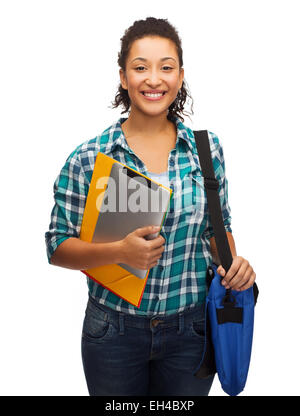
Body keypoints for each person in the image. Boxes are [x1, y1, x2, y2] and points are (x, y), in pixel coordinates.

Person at [45, 17, 256, 396]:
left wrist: (233, 266)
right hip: (113, 332)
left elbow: (216, 230)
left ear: (180, 76)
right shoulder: (90, 158)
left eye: (166, 67)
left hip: (191, 331)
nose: (154, 79)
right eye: (140, 67)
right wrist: (119, 252)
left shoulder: (206, 151)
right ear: (124, 77)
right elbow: (57, 247)